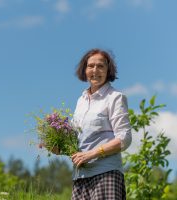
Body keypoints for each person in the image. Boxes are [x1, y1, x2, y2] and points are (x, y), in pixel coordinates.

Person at [70, 48, 132, 200]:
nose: (95, 70)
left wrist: (91, 154)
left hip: (106, 174)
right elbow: (76, 137)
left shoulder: (115, 98)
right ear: (84, 70)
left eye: (100, 66)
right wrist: (57, 146)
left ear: (108, 70)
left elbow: (124, 139)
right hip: (80, 176)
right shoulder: (81, 101)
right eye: (91, 66)